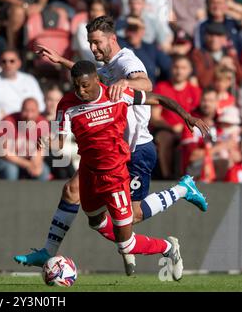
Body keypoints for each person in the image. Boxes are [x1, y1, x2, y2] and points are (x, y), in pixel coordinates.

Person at [14, 16, 208, 275]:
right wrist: (63, 61)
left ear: (112, 39)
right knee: (74, 194)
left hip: (135, 149)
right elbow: (91, 80)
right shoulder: (98, 75)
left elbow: (146, 84)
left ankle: (181, 191)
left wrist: (127, 83)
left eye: (97, 43)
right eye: (90, 43)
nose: (93, 49)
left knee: (132, 217)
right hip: (104, 149)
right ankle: (50, 252)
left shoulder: (127, 62)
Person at [40, 60, 204, 280]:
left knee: (125, 244)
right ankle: (128, 235)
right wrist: (47, 142)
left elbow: (159, 99)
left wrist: (186, 116)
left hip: (116, 176)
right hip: (88, 173)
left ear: (97, 80)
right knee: (95, 221)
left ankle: (167, 247)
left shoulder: (119, 95)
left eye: (85, 85)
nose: (81, 91)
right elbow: (59, 142)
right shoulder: (66, 104)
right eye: (76, 85)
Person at [151, 55, 201, 179]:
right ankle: (167, 177)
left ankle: (189, 176)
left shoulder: (195, 90)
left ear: (190, 70)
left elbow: (199, 115)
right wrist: (172, 128)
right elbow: (154, 118)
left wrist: (185, 129)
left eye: (183, 68)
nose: (179, 71)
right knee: (164, 138)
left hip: (189, 130)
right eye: (176, 67)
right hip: (166, 129)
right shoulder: (161, 87)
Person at [0, 97, 50, 180]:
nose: (29, 115)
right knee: (11, 170)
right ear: (21, 110)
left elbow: (43, 149)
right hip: (0, 158)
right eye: (26, 111)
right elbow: (3, 152)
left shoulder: (43, 123)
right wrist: (27, 164)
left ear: (38, 112)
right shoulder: (8, 121)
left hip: (27, 160)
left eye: (32, 111)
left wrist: (36, 163)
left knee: (43, 171)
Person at [0, 49, 45, 116]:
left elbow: (41, 106)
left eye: (12, 61)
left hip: (29, 119)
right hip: (4, 121)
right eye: (4, 61)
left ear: (19, 63)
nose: (8, 64)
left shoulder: (30, 80)